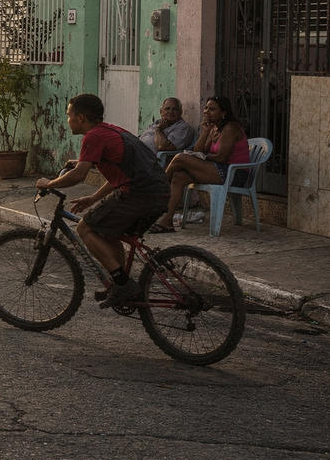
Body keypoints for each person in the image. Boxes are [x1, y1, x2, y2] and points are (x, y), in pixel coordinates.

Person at [36, 93, 170, 307]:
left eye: (69, 115)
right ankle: (122, 284)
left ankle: (123, 284)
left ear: (80, 118)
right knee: (108, 232)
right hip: (156, 191)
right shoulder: (111, 130)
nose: (67, 120)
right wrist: (94, 197)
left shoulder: (93, 137)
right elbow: (120, 173)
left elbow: (79, 175)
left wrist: (48, 183)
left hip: (138, 194)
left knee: (85, 228)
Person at [152, 95, 252, 233]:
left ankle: (156, 188)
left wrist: (201, 159)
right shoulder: (214, 128)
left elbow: (222, 157)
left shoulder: (230, 128)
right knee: (178, 177)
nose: (206, 112)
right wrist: (205, 133)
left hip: (234, 174)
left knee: (180, 157)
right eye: (206, 108)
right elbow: (198, 150)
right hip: (219, 170)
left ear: (223, 113)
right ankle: (167, 222)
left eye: (212, 109)